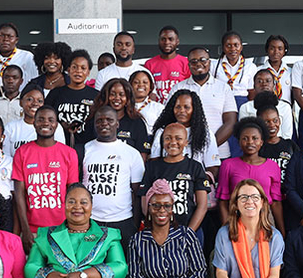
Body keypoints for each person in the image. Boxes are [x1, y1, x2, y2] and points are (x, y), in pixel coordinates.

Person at [12, 105, 79, 251]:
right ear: (34, 123)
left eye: (50, 120)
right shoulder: (22, 152)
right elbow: (19, 194)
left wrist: (72, 228)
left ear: (56, 124)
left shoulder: (69, 153)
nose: (45, 123)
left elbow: (73, 194)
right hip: (33, 230)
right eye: (41, 119)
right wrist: (25, 229)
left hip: (62, 229)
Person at [82, 106, 145, 248]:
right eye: (99, 120)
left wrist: (134, 225)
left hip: (122, 221)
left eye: (109, 120)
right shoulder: (85, 150)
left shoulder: (131, 153)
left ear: (117, 124)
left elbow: (137, 193)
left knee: (122, 267)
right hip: (91, 221)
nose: (104, 123)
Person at [139, 123, 210, 241]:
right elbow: (144, 202)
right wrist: (157, 229)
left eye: (178, 138)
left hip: (190, 230)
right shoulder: (153, 167)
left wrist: (189, 233)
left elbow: (202, 205)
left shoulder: (195, 167)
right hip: (160, 232)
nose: (172, 142)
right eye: (168, 138)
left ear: (186, 142)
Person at [217, 117, 284, 236]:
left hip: (265, 219)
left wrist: (282, 231)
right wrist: (227, 228)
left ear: (262, 142)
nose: (250, 142)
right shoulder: (228, 165)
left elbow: (276, 203)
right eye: (245, 139)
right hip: (236, 218)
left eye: (255, 138)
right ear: (239, 142)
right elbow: (223, 201)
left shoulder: (272, 166)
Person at [168, 47, 237, 160]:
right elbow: (170, 119)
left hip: (220, 152)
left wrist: (208, 146)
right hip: (184, 154)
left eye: (203, 60)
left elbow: (231, 122)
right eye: (193, 61)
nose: (198, 64)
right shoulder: (178, 88)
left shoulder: (223, 88)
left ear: (209, 62)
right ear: (188, 64)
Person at [150, 89, 221, 177]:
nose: (181, 111)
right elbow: (155, 163)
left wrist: (197, 184)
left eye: (186, 107)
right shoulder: (162, 131)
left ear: (194, 110)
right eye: (178, 107)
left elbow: (212, 167)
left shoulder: (206, 134)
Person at [44, 50, 98, 148]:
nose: (78, 71)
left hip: (88, 147)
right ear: (68, 70)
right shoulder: (55, 93)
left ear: (88, 72)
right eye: (74, 67)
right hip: (59, 146)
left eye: (83, 68)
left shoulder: (96, 96)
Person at [84, 79, 150, 158]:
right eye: (113, 94)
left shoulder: (137, 122)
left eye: (121, 94)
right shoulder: (95, 120)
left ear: (128, 98)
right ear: (106, 97)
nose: (117, 98)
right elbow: (86, 149)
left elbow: (142, 154)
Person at [4, 84, 66, 157]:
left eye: (40, 101)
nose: (35, 103)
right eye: (30, 99)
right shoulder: (11, 127)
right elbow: (6, 157)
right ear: (20, 102)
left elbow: (60, 154)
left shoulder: (54, 127)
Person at [238, 72, 293, 140]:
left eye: (268, 81)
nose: (264, 84)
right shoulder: (245, 108)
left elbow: (287, 135)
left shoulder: (285, 107)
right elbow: (244, 133)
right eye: (259, 81)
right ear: (254, 86)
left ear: (273, 85)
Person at [143, 26, 190, 102]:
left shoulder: (186, 63)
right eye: (163, 39)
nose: (167, 42)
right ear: (159, 41)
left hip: (178, 110)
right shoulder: (150, 64)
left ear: (177, 41)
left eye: (170, 39)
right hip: (156, 110)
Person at [211, 31, 258, 108]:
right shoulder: (214, 65)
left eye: (236, 45)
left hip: (242, 103)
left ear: (241, 47)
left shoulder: (250, 66)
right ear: (223, 48)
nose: (232, 49)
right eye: (228, 45)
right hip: (220, 101)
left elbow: (251, 91)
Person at [257, 103, 299, 184]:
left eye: (275, 120)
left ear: (279, 121)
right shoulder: (258, 148)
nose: (272, 125)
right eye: (266, 122)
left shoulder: (290, 145)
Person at [0, 23, 38, 91]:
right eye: (2, 36)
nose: (5, 39)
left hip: (20, 98)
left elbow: (34, 80)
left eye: (10, 36)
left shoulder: (27, 57)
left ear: (16, 40)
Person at [129, 70, 165, 136]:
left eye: (145, 82)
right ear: (130, 86)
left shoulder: (159, 108)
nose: (141, 85)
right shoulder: (124, 106)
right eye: (136, 82)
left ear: (151, 87)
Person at [262, 35, 292, 104]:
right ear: (267, 50)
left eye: (280, 49)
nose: (276, 52)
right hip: (265, 108)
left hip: (285, 110)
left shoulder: (290, 72)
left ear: (284, 51)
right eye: (272, 48)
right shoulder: (259, 71)